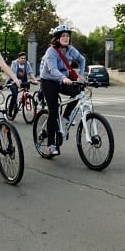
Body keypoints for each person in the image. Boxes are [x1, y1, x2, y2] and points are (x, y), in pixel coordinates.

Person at [38, 25, 87, 157]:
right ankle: (51, 144)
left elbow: (82, 60)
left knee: (78, 92)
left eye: (67, 35)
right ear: (57, 38)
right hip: (49, 81)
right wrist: (63, 78)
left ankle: (66, 116)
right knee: (53, 112)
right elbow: (53, 69)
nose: (66, 38)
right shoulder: (51, 52)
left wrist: (81, 75)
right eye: (63, 36)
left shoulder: (70, 49)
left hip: (63, 80)